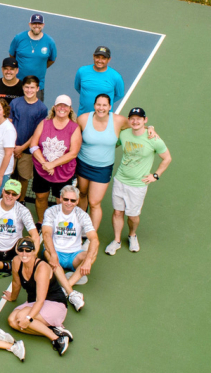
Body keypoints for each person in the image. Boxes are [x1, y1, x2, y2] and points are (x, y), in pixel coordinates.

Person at [76, 94, 158, 231]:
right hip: (83, 164)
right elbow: (72, 136)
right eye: (98, 105)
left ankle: (91, 235)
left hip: (103, 168)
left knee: (94, 202)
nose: (101, 108)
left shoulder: (119, 120)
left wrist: (150, 127)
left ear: (109, 107)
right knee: (82, 194)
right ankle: (79, 227)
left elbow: (136, 125)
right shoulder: (83, 119)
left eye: (104, 105)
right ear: (94, 105)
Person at [106, 107, 171, 255]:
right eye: (133, 118)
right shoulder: (123, 134)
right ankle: (116, 240)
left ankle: (132, 235)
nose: (135, 121)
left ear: (145, 120)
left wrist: (155, 175)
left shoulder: (154, 139)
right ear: (129, 121)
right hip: (120, 180)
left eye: (139, 119)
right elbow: (111, 144)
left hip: (138, 185)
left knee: (133, 216)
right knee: (117, 212)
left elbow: (167, 158)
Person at [3, 237, 73, 356]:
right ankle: (54, 330)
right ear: (16, 249)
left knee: (22, 317)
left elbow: (40, 300)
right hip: (34, 302)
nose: (24, 254)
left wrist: (29, 318)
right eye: (21, 250)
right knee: (12, 321)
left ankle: (57, 339)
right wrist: (13, 297)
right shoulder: (16, 261)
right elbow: (16, 283)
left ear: (34, 251)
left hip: (54, 303)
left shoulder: (42, 268)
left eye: (28, 250)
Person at [42, 184, 98, 312]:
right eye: (66, 199)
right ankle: (72, 293)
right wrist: (54, 254)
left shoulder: (82, 215)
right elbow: (46, 234)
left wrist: (88, 261)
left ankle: (65, 288)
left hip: (74, 255)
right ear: (61, 198)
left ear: (77, 201)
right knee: (48, 254)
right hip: (56, 253)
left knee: (92, 254)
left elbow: (94, 239)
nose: (69, 203)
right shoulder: (51, 211)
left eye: (73, 200)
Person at [30, 95, 82, 223]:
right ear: (54, 107)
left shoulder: (74, 128)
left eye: (65, 106)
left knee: (62, 200)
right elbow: (33, 145)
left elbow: (73, 153)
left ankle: (59, 224)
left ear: (70, 109)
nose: (62, 108)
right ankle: (42, 222)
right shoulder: (44, 123)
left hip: (63, 173)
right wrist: (45, 163)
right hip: (42, 169)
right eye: (59, 105)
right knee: (41, 196)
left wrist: (52, 164)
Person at [0, 179, 39, 273]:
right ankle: (11, 265)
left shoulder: (23, 211)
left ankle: (3, 265)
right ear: (3, 191)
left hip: (14, 248)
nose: (10, 196)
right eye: (7, 192)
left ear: (18, 195)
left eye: (14, 194)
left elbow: (35, 236)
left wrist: (32, 255)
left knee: (34, 262)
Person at [10, 76, 48, 203]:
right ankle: (8, 199)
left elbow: (37, 132)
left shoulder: (42, 108)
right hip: (11, 148)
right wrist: (14, 146)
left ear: (38, 88)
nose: (29, 90)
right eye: (27, 87)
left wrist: (22, 148)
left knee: (23, 177)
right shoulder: (15, 103)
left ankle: (20, 201)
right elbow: (9, 125)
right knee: (9, 175)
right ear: (23, 87)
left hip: (27, 150)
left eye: (32, 87)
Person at [9, 14, 56, 100]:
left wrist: (40, 67)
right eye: (34, 23)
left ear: (43, 25)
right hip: (18, 83)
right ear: (30, 24)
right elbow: (12, 56)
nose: (37, 26)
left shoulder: (49, 42)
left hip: (37, 85)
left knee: (36, 111)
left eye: (39, 23)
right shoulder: (19, 38)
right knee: (14, 110)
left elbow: (52, 60)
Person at [74, 45, 125, 116]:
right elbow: (78, 87)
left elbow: (119, 95)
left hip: (104, 118)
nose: (100, 61)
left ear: (109, 59)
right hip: (83, 115)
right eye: (97, 57)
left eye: (103, 58)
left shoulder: (116, 77)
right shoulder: (82, 71)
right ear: (93, 56)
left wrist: (104, 104)